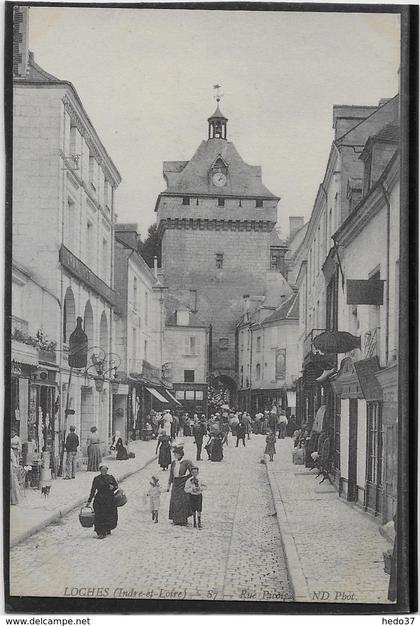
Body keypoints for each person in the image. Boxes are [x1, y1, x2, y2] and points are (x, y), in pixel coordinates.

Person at [87, 462, 118, 539]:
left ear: (107, 470)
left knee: (109, 515)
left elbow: (116, 486)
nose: (103, 471)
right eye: (102, 469)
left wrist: (113, 487)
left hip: (109, 499)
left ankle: (108, 528)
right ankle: (101, 532)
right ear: (100, 470)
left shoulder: (111, 477)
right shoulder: (97, 479)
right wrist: (89, 501)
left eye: (105, 469)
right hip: (100, 500)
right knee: (99, 516)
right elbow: (93, 490)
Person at [167, 445, 193, 526]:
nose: (174, 455)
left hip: (183, 483)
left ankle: (183, 519)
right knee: (175, 501)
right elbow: (171, 474)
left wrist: (187, 479)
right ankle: (175, 519)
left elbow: (193, 471)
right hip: (175, 483)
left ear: (180, 454)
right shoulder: (174, 463)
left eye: (176, 454)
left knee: (182, 501)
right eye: (174, 454)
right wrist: (168, 485)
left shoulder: (186, 462)